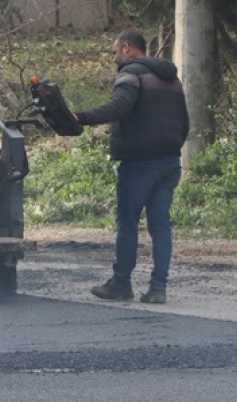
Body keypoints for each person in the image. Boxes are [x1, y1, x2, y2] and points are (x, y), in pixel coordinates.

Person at [77, 30, 190, 304]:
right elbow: (184, 122)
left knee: (127, 224)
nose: (115, 58)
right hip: (170, 162)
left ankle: (121, 284)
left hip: (139, 164)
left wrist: (81, 117)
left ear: (127, 49)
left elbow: (120, 107)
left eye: (115, 52)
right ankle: (158, 288)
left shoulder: (131, 73)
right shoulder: (172, 79)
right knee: (160, 225)